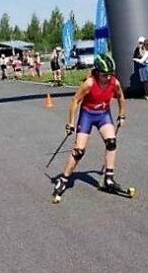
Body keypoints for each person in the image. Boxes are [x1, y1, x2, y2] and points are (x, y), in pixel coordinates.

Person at [52, 54, 127, 203]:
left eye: (110, 74)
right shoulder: (89, 83)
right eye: (105, 74)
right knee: (79, 151)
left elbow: (120, 97)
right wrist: (71, 123)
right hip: (88, 115)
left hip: (103, 114)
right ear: (97, 72)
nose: (108, 77)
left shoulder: (114, 82)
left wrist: (122, 115)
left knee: (111, 142)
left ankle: (109, 179)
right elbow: (75, 101)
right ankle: (63, 180)